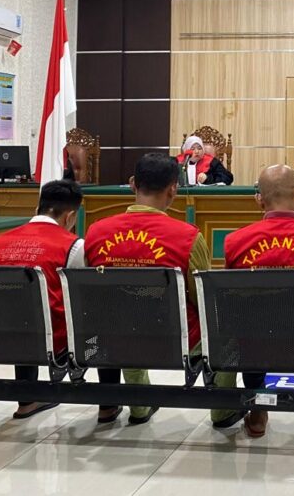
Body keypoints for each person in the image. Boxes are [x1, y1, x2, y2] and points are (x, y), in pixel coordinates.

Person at [213, 165, 294, 438]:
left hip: (253, 348)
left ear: (258, 199)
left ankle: (258, 411)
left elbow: (232, 304)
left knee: (248, 325)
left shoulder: (234, 242)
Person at [83, 153, 211, 425]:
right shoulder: (188, 237)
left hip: (112, 339)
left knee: (122, 316)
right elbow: (203, 299)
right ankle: (223, 411)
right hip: (174, 341)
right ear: (173, 189)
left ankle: (139, 404)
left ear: (133, 184)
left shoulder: (95, 232)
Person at [0, 180, 85, 419]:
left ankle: (27, 402)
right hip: (51, 340)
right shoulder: (73, 245)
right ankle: (107, 404)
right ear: (70, 216)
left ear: (37, 208)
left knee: (19, 309)